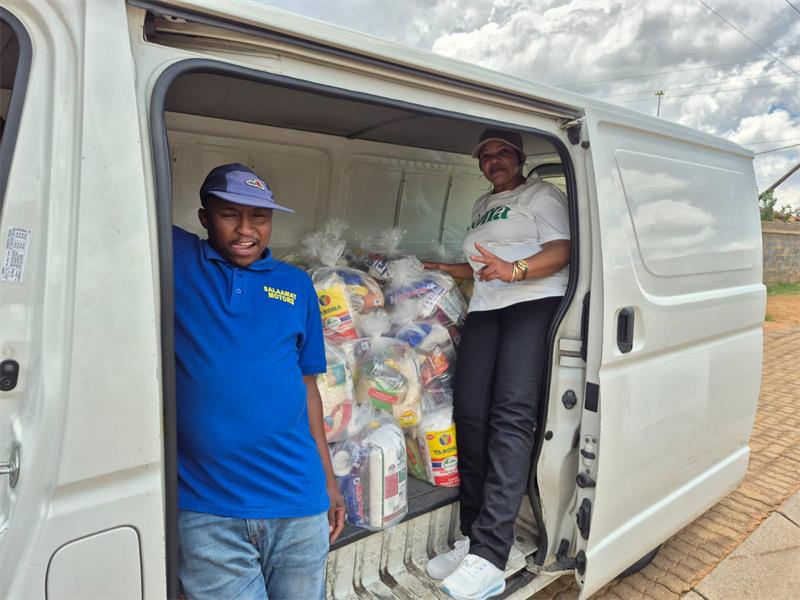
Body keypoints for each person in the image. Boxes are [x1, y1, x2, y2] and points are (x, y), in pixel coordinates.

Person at [173, 163, 345, 599]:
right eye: (229, 214)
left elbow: (307, 387)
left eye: (259, 217)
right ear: (204, 217)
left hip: (297, 500)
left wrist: (328, 481)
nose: (245, 229)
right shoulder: (180, 260)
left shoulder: (296, 285)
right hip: (208, 508)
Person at [423, 129, 571, 600]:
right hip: (487, 309)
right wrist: (449, 270)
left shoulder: (542, 195)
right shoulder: (483, 205)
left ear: (519, 157)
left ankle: (490, 557)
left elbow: (564, 248)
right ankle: (478, 538)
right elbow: (487, 263)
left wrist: (518, 270)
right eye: (485, 156)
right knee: (469, 415)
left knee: (511, 418)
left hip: (533, 306)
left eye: (501, 152)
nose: (493, 161)